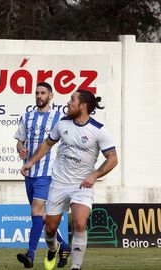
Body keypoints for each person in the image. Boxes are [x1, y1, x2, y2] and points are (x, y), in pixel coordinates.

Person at [21, 89, 118, 270]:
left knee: (80, 223)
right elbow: (47, 144)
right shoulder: (62, 124)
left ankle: (75, 266)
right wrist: (30, 163)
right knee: (50, 229)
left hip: (81, 185)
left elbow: (113, 159)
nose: (68, 103)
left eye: (72, 100)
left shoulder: (98, 130)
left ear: (83, 106)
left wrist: (94, 175)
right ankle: (54, 249)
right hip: (58, 183)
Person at [14, 82, 71, 268]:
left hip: (47, 173)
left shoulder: (59, 118)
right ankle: (63, 245)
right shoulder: (27, 116)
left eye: (43, 93)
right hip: (29, 173)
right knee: (43, 217)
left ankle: (30, 254)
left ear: (51, 95)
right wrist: (21, 149)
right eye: (37, 93)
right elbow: (19, 142)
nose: (39, 96)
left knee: (36, 210)